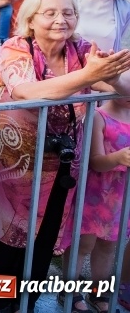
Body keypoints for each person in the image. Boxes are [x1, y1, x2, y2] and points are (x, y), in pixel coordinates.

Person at [0, 0, 130, 313]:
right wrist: (88, 75)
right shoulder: (15, 47)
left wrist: (111, 76)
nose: (60, 20)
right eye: (49, 13)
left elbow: (122, 89)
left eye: (67, 12)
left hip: (60, 166)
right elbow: (27, 91)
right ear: (30, 19)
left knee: (43, 238)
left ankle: (26, 302)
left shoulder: (82, 50)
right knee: (0, 238)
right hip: (10, 165)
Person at [60, 95, 130, 313]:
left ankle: (98, 291)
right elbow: (96, 161)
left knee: (108, 245)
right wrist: (118, 158)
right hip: (96, 193)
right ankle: (69, 290)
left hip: (122, 197)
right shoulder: (99, 116)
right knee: (83, 244)